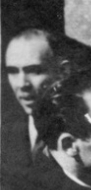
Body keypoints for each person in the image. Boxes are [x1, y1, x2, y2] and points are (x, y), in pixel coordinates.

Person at [2, 28, 59, 169]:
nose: (22, 84)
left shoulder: (84, 133)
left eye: (34, 71)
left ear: (62, 71)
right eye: (13, 71)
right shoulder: (5, 133)